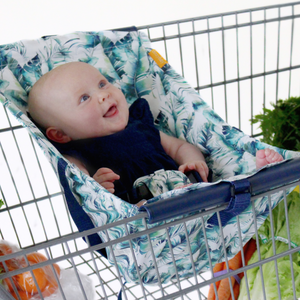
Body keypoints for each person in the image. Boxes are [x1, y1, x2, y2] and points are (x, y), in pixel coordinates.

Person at [28, 62, 283, 203]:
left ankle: (256, 172)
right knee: (140, 219)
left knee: (225, 193)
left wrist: (192, 160)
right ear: (60, 135)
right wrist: (96, 187)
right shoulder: (77, 153)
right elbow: (79, 187)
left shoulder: (140, 125)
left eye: (102, 83)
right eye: (84, 98)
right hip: (142, 212)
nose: (103, 94)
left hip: (188, 192)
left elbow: (179, 147)